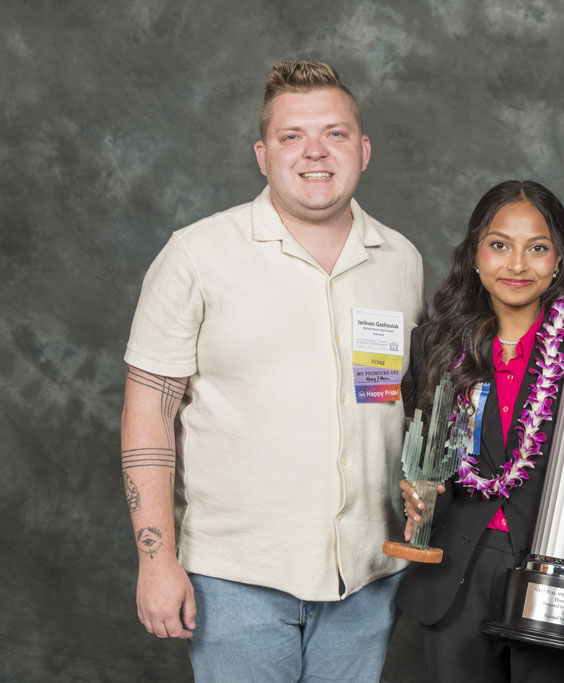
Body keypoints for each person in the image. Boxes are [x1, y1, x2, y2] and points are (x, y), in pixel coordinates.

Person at [120, 61, 423, 682]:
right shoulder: (197, 255)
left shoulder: (401, 260)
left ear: (362, 150)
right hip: (236, 580)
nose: (315, 152)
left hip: (369, 578)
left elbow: (401, 398)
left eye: (335, 134)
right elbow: (147, 412)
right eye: (292, 136)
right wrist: (155, 560)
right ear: (263, 154)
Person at [394, 180, 564, 682]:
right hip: (454, 575)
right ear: (475, 254)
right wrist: (416, 497)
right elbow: (423, 462)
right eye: (500, 245)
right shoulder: (435, 346)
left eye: (538, 248)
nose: (517, 265)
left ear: (559, 261)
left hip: (553, 587)